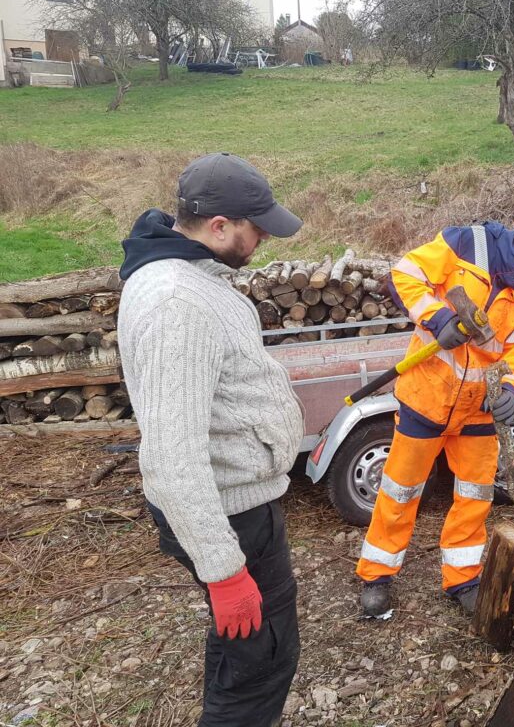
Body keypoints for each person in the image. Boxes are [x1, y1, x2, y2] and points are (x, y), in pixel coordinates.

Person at [118, 152, 305, 726]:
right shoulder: (179, 304)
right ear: (219, 226)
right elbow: (172, 457)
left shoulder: (186, 275)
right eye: (257, 228)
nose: (264, 240)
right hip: (231, 514)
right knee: (261, 663)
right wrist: (224, 572)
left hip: (236, 505)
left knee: (243, 649)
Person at [356, 221, 514, 616]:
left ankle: (463, 578)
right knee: (399, 491)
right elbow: (405, 275)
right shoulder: (466, 244)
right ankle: (376, 575)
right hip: (427, 397)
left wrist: (510, 388)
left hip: (479, 407)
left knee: (475, 496)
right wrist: (438, 319)